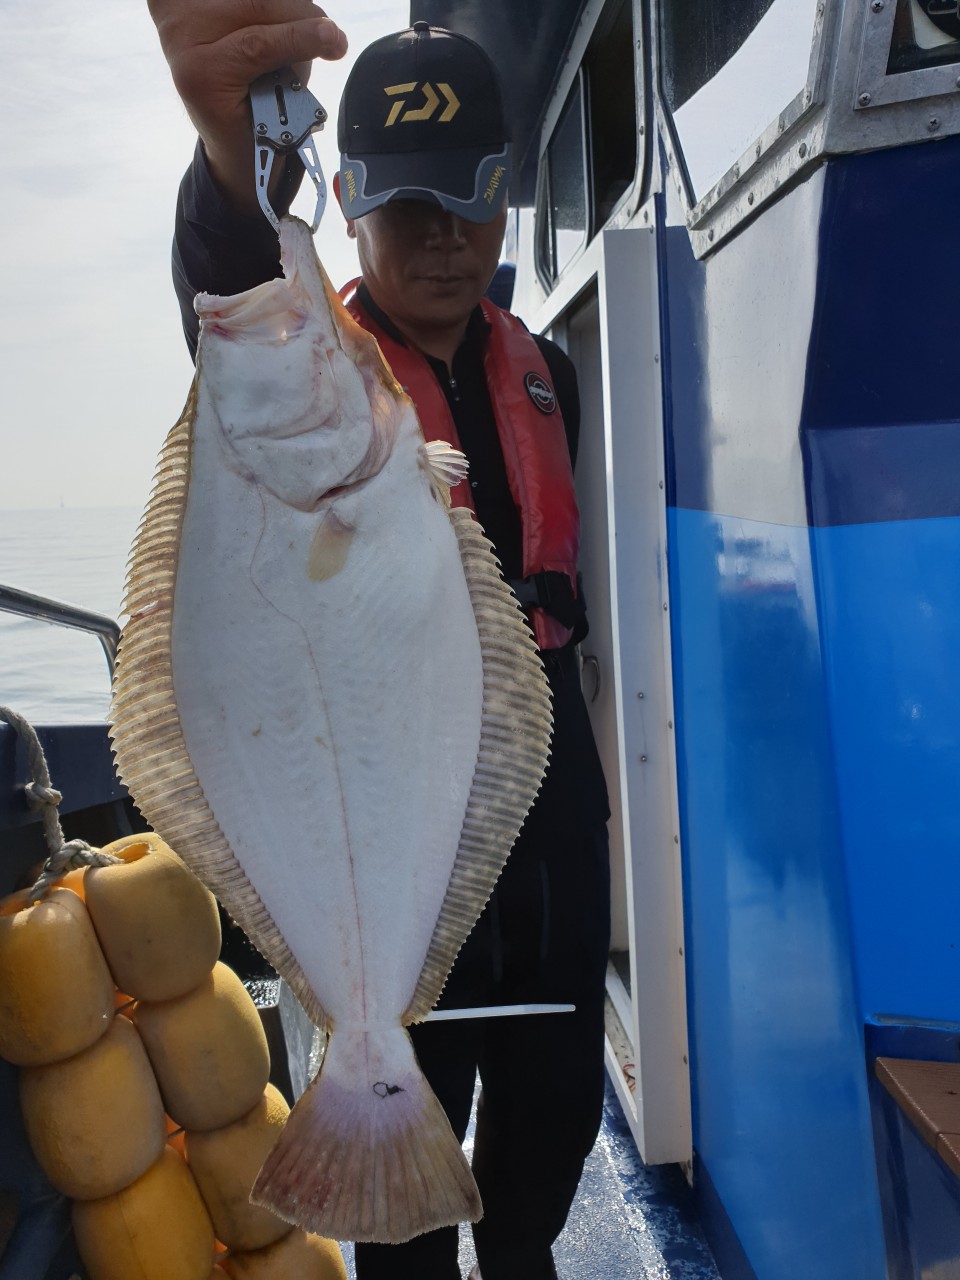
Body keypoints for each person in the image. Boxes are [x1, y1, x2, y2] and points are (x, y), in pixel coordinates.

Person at [148, 5, 610, 1277]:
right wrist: (228, 156)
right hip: (381, 812)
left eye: (470, 197)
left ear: (506, 196)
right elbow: (225, 279)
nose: (444, 235)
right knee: (405, 1226)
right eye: (407, 206)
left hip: (550, 830)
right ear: (347, 203)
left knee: (551, 1136)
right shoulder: (301, 368)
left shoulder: (549, 373)